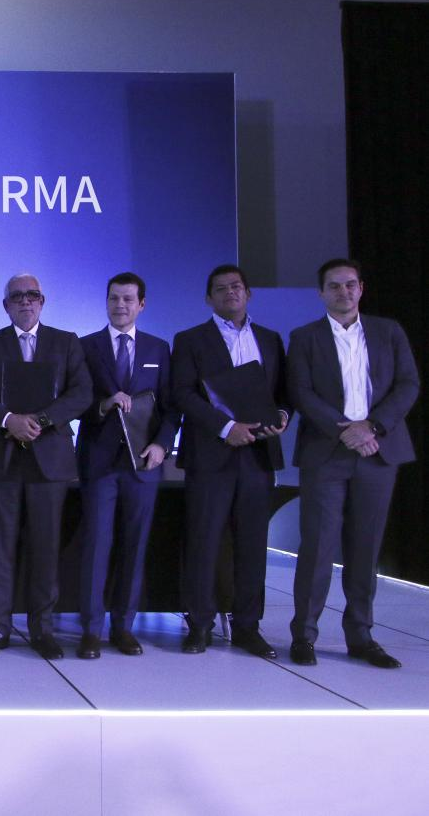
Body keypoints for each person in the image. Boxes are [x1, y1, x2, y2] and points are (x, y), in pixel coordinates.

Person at [286, 258, 419, 668]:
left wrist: (372, 427)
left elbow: (408, 384)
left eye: (350, 284)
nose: (343, 292)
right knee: (317, 546)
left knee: (366, 548)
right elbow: (301, 391)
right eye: (334, 286)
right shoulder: (304, 337)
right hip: (327, 452)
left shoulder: (388, 331)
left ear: (361, 288)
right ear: (321, 293)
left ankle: (360, 635)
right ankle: (304, 635)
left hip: (378, 451)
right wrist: (344, 430)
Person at [172, 264, 291, 658]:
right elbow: (183, 394)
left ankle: (247, 627)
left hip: (258, 455)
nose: (230, 293)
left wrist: (283, 415)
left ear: (248, 293)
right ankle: (199, 625)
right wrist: (226, 428)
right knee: (203, 542)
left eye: (236, 286)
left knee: (253, 546)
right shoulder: (190, 339)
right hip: (211, 455)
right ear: (209, 298)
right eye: (220, 288)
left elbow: (284, 393)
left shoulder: (270, 339)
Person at [0, 273, 92, 661]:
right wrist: (9, 420)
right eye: (17, 296)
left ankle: (43, 629)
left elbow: (82, 393)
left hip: (49, 461)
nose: (25, 301)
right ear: (5, 305)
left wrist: (40, 420)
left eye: (32, 295)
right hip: (2, 459)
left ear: (43, 301)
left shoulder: (66, 342)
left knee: (46, 548)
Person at [74, 272, 179, 658]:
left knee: (134, 547)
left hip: (143, 464)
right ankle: (91, 630)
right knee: (96, 547)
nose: (120, 305)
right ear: (106, 301)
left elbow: (171, 407)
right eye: (114, 298)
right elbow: (75, 401)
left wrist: (162, 445)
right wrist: (103, 405)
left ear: (141, 305)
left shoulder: (158, 348)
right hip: (99, 463)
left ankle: (123, 627)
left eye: (128, 299)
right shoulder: (85, 346)